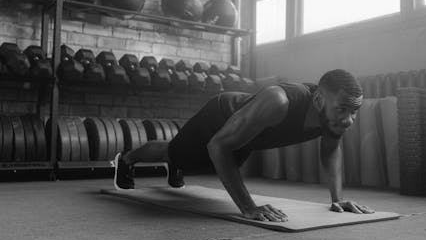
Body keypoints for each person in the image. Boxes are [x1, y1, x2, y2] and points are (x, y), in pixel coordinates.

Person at [113, 69, 374, 222]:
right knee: (175, 153)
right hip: (219, 118)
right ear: (318, 100)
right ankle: (126, 159)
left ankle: (179, 165)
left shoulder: (332, 118)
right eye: (343, 109)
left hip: (250, 136)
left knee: (221, 164)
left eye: (355, 111)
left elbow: (330, 150)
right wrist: (248, 206)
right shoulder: (280, 101)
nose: (349, 120)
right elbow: (218, 145)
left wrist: (338, 199)